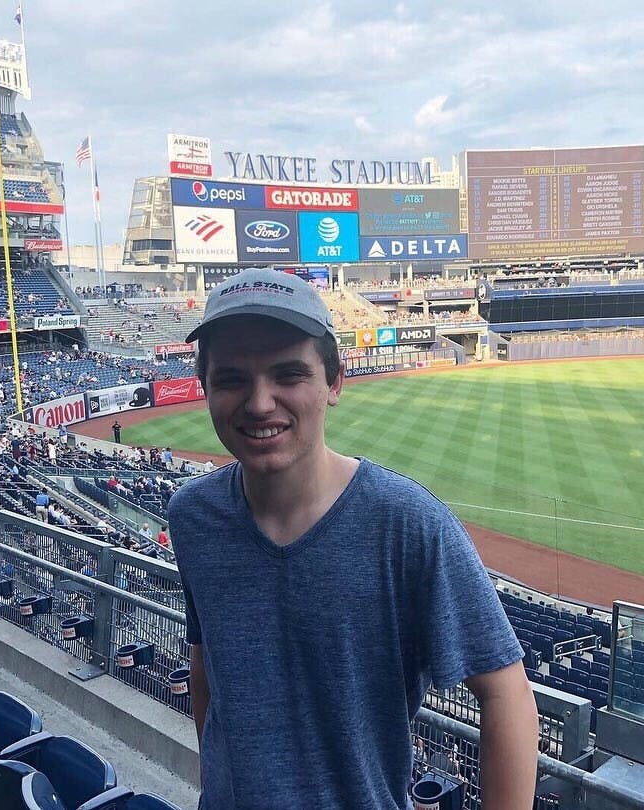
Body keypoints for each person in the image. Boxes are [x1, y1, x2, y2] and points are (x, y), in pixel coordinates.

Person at [167, 268, 538, 809]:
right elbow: (209, 662)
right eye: (232, 379)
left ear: (334, 382)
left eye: (288, 374)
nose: (260, 402)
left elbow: (506, 693)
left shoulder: (408, 523)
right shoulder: (192, 516)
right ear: (205, 388)